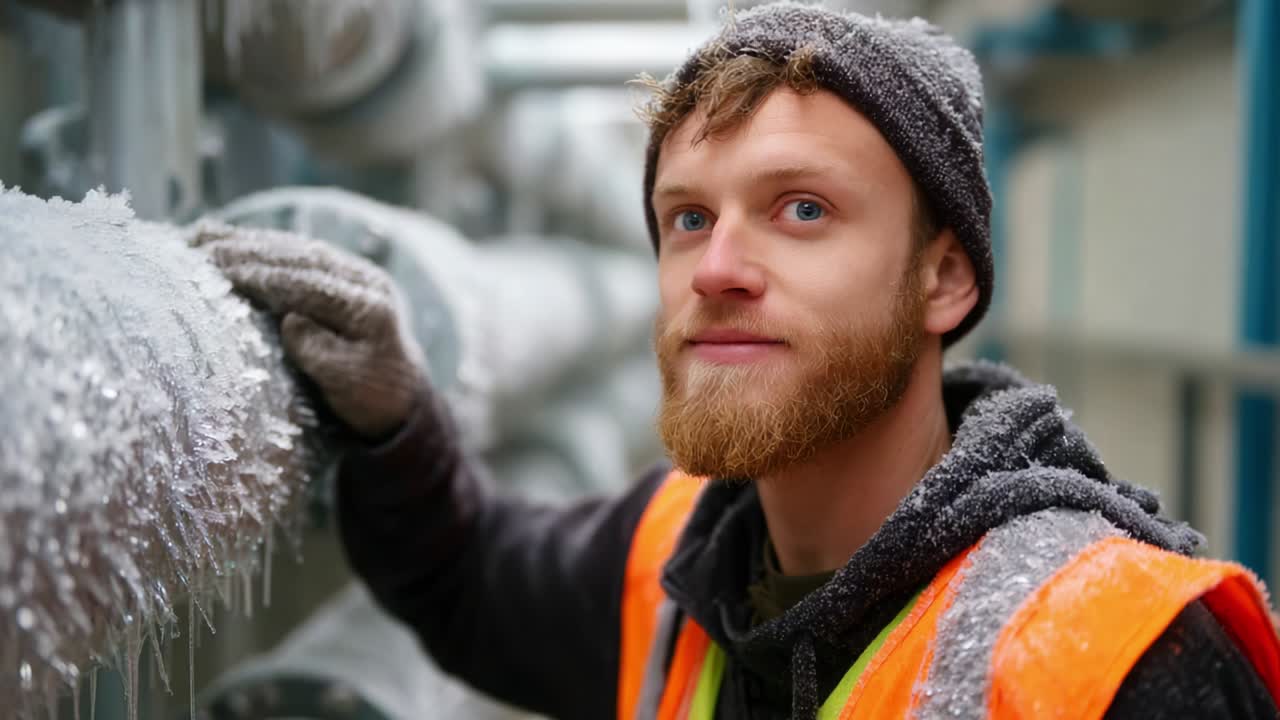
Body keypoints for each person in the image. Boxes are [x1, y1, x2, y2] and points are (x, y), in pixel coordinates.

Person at [198, 3, 1280, 718]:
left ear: (943, 280)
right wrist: (394, 420)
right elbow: (466, 580)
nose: (717, 268)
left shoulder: (1124, 658)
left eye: (799, 210)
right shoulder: (675, 560)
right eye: (683, 218)